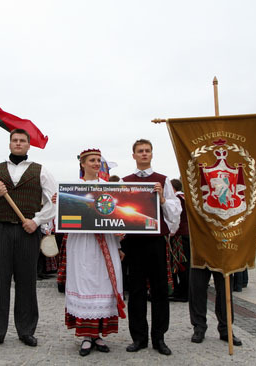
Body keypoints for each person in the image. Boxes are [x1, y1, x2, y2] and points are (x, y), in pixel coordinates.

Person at [0, 128, 56, 347]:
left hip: (28, 230)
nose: (18, 143)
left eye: (22, 141)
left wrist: (37, 221)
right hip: (0, 229)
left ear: (29, 145)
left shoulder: (40, 171)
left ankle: (26, 330)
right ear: (10, 144)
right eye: (14, 140)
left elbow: (55, 201)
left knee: (27, 281)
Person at [62, 149, 126, 356]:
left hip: (106, 242)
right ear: (83, 164)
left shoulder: (109, 188)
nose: (97, 163)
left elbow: (117, 215)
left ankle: (98, 334)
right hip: (83, 243)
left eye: (99, 160)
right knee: (84, 282)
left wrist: (118, 240)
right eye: (92, 160)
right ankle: (85, 336)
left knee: (103, 283)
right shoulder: (72, 188)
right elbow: (65, 220)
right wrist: (59, 204)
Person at [121, 139, 181, 356]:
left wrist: (163, 199)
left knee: (160, 290)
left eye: (147, 151)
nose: (144, 154)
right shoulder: (126, 181)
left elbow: (175, 212)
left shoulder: (162, 180)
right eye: (140, 151)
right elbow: (120, 211)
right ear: (134, 155)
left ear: (152, 154)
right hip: (135, 241)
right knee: (136, 290)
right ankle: (138, 337)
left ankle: (159, 337)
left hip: (155, 240)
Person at [189, 268, 242, 346]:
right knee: (198, 287)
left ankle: (226, 329)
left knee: (225, 290)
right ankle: (199, 327)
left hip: (223, 257)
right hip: (201, 256)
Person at [169, 178, 190, 302]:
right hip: (186, 234)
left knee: (180, 264)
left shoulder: (177, 199)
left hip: (179, 235)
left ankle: (183, 293)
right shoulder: (184, 198)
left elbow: (175, 217)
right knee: (183, 264)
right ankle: (183, 291)